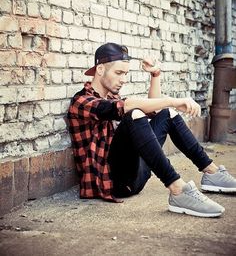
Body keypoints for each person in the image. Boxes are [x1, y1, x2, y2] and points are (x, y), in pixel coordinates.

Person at [67, 42, 236, 218]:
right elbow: (123, 107)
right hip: (113, 183)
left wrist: (155, 75)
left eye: (125, 73)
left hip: (136, 176)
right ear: (100, 69)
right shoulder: (81, 102)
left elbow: (154, 110)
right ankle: (178, 190)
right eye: (118, 73)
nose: (123, 79)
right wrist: (173, 100)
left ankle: (211, 172)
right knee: (134, 114)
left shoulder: (111, 97)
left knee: (166, 113)